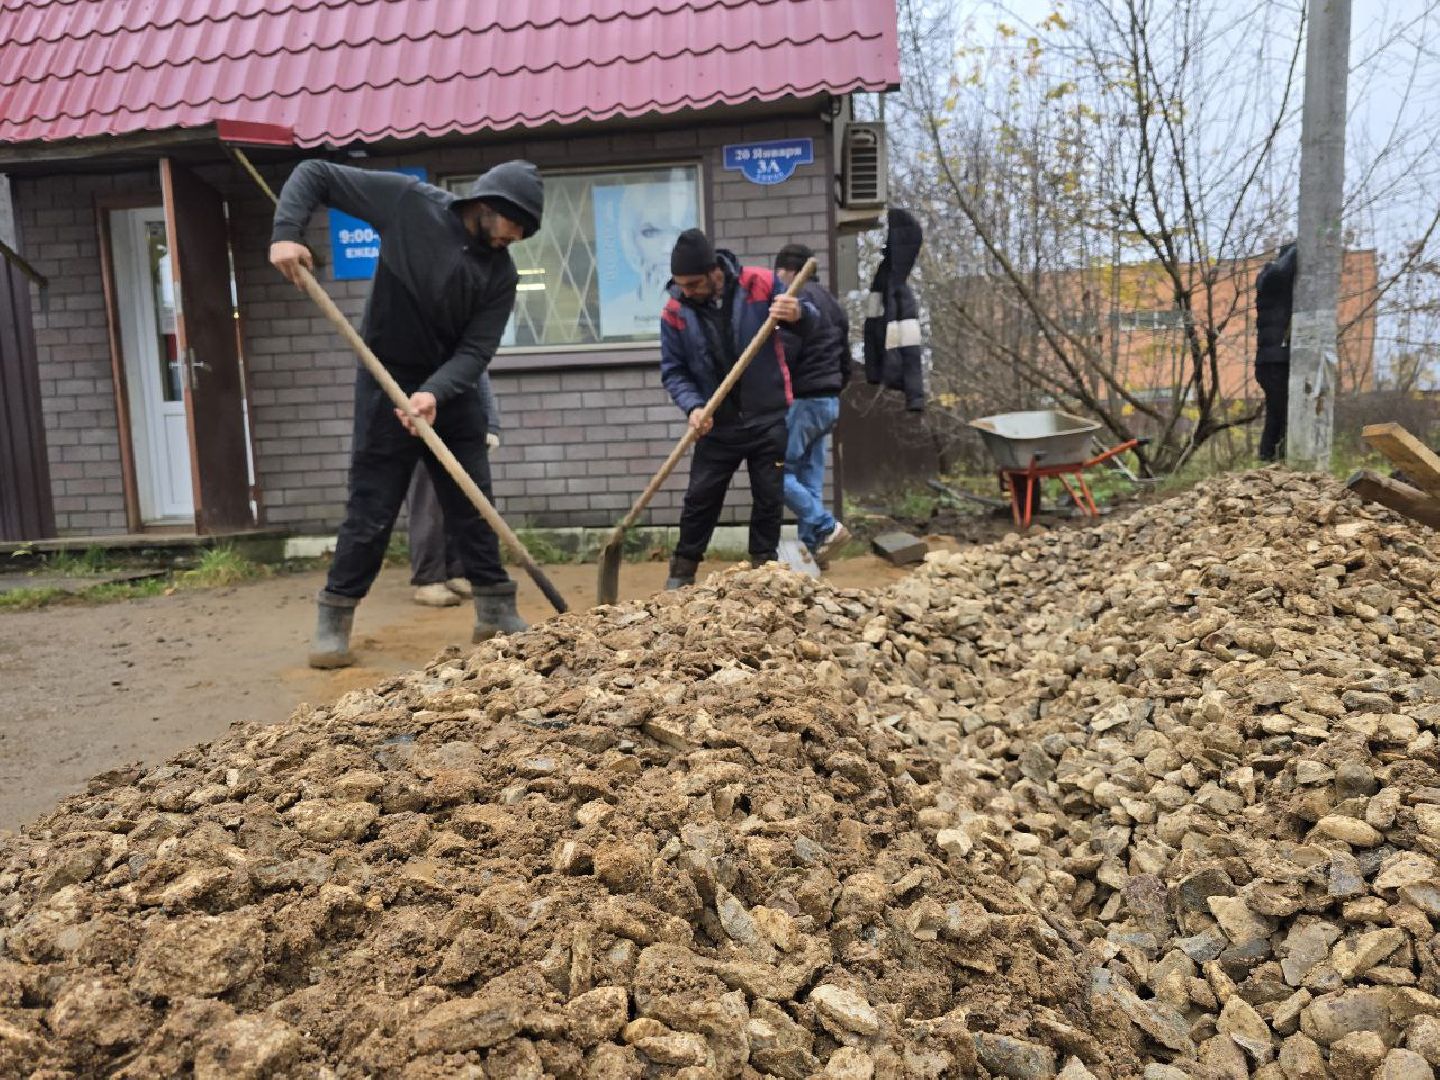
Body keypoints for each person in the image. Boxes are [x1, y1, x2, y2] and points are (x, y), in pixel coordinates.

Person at [268, 159, 543, 668]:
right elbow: (314, 174)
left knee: (473, 502)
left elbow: (476, 351)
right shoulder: (409, 203)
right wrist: (287, 233)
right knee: (371, 510)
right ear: (489, 206)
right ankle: (334, 617)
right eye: (516, 224)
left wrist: (434, 393)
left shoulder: (500, 274)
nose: (518, 236)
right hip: (384, 380)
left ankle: (495, 609)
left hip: (452, 393)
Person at [659, 228, 812, 589]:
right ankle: (681, 573)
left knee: (768, 495)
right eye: (681, 284)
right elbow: (674, 370)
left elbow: (813, 321)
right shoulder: (676, 310)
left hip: (767, 417)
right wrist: (694, 407)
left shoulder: (760, 284)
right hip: (717, 423)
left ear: (714, 271)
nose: (688, 291)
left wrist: (797, 313)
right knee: (700, 498)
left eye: (694, 283)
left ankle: (763, 570)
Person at [774, 243, 852, 567]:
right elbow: (845, 357)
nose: (777, 280)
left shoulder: (799, 301)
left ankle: (825, 526)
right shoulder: (834, 304)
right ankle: (811, 552)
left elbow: (787, 353)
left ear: (789, 270)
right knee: (810, 478)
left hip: (804, 400)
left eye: (779, 273)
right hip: (830, 400)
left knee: (775, 471)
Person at [409, 371, 501, 606]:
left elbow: (479, 377)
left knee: (463, 502)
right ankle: (429, 579)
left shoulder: (463, 347)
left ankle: (457, 571)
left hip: (462, 426)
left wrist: (491, 424)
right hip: (422, 425)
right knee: (428, 503)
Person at [1254, 242, 1297, 461]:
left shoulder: (1277, 283)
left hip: (1275, 359)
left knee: (1280, 412)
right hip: (1273, 360)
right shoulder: (1271, 277)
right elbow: (1280, 272)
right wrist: (1300, 249)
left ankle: (1273, 457)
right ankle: (1268, 457)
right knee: (1279, 412)